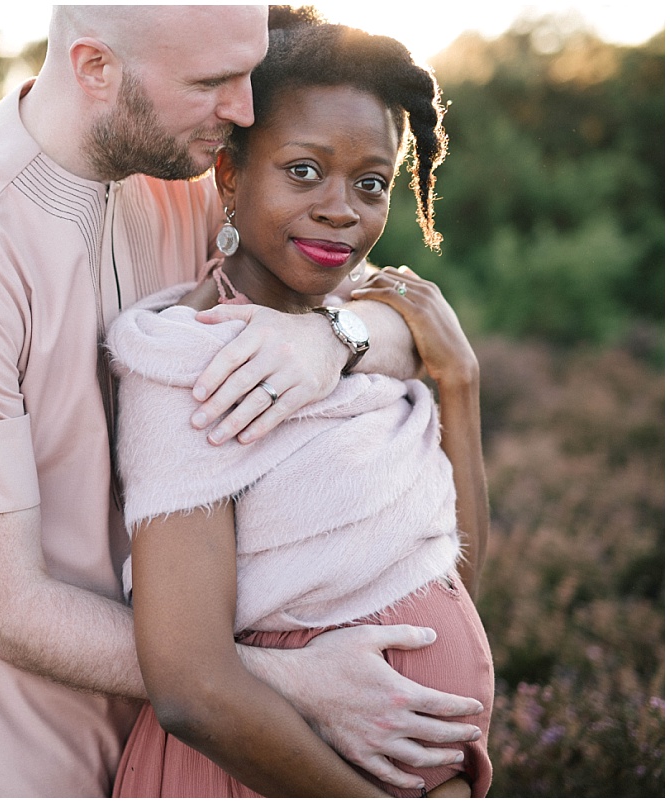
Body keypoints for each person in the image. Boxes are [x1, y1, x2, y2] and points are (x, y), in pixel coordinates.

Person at [0, 5, 484, 797]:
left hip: (193, 749)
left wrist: (333, 342)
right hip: (23, 762)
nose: (245, 109)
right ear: (95, 67)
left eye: (248, 73)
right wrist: (284, 679)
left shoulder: (180, 169)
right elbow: (7, 603)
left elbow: (392, 312)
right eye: (213, 83)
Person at [108, 11, 493, 798]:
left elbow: (450, 572)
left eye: (372, 182)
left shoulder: (373, 330)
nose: (342, 210)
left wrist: (459, 381)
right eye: (304, 171)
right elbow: (191, 688)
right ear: (229, 177)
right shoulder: (193, 365)